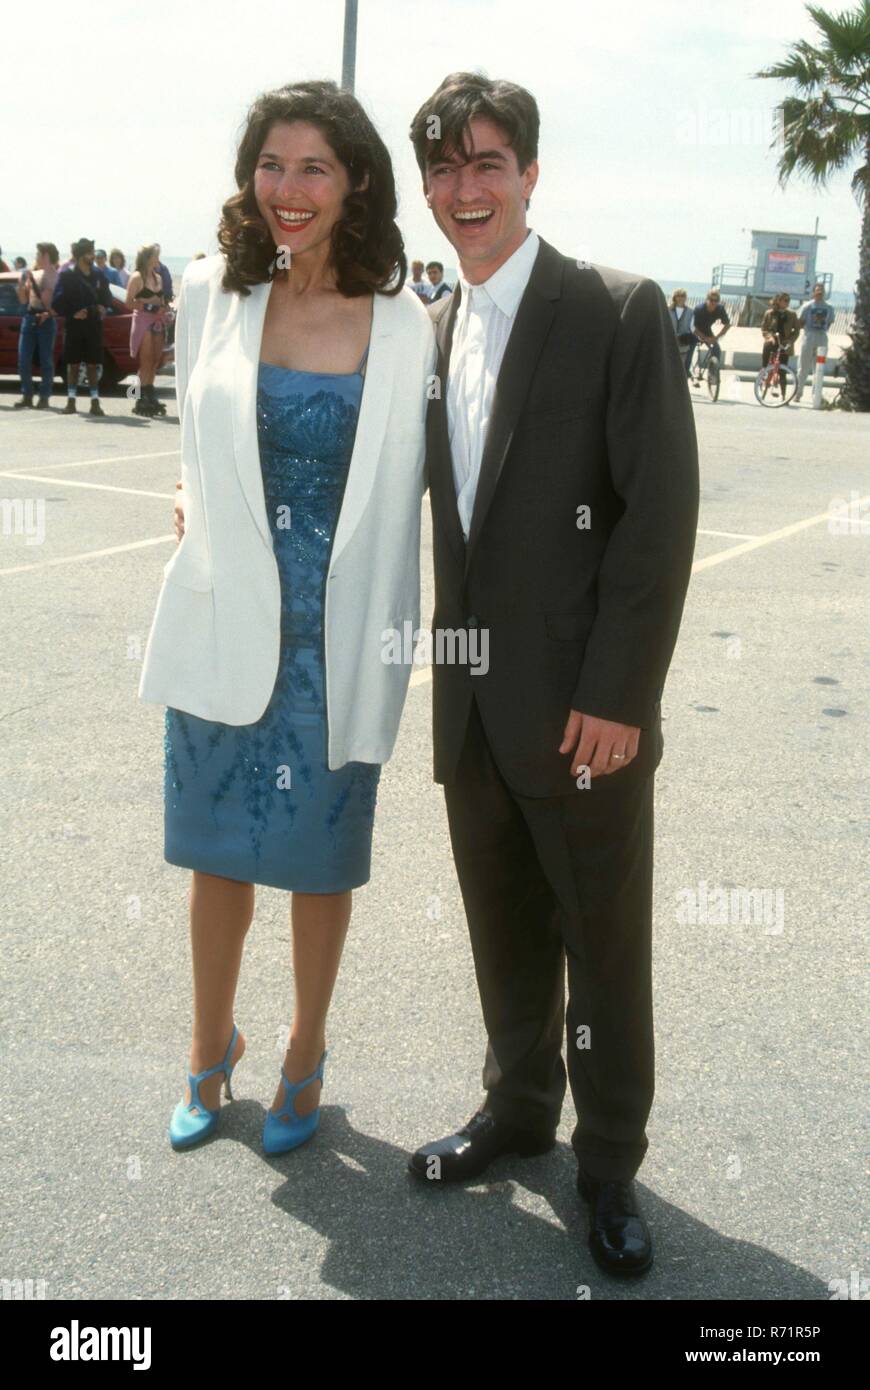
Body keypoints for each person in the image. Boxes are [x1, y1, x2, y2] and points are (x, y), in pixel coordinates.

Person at [406, 72, 698, 1279]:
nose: (465, 190)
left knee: (601, 940)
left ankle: (609, 1159)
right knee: (505, 929)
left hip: (586, 714)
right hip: (473, 704)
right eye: (445, 168)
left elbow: (657, 515)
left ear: (531, 173)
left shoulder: (614, 310)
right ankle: (517, 1107)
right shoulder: (432, 325)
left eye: (488, 164)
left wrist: (621, 695)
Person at [140, 79, 435, 1157]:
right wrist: (189, 496)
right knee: (216, 858)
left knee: (319, 864)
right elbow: (193, 435)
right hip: (228, 618)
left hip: (335, 634)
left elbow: (424, 485)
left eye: (314, 166)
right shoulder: (213, 291)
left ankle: (306, 1052)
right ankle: (206, 1049)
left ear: (356, 180)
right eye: (272, 164)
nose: (289, 189)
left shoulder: (404, 324)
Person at [50, 237, 114, 416]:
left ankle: (95, 402)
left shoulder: (98, 275)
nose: (93, 255)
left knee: (94, 364)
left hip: (94, 324)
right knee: (73, 364)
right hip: (75, 325)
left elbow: (106, 296)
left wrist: (102, 306)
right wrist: (73, 313)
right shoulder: (67, 275)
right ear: (80, 255)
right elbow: (57, 301)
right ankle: (71, 402)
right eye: (89, 252)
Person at [126, 244, 171, 417]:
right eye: (155, 255)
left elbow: (160, 299)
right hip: (143, 320)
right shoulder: (137, 277)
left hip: (157, 321)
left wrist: (164, 307)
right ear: (147, 257)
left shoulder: (158, 277)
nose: (158, 257)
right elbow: (129, 302)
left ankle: (149, 393)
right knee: (145, 361)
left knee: (154, 360)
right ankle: (141, 396)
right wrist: (151, 307)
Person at [14, 242, 60, 409]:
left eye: (38, 254)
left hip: (46, 321)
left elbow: (58, 302)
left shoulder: (56, 276)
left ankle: (44, 396)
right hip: (30, 317)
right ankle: (27, 394)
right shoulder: (33, 274)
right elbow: (23, 300)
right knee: (23, 359)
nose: (36, 257)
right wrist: (20, 286)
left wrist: (48, 313)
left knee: (46, 360)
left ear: (46, 255)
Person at [794, 282, 835, 401]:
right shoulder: (807, 306)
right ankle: (798, 393)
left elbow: (830, 322)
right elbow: (800, 322)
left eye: (821, 291)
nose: (819, 293)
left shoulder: (829, 307)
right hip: (809, 337)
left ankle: (816, 394)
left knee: (819, 368)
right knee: (803, 367)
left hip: (822, 337)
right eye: (817, 290)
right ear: (814, 292)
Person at [760, 292, 799, 396]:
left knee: (782, 370)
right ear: (779, 301)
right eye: (785, 300)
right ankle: (764, 370)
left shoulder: (792, 314)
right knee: (767, 349)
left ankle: (783, 395)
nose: (787, 303)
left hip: (784, 343)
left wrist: (790, 341)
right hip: (773, 341)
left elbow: (796, 331)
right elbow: (764, 329)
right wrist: (770, 337)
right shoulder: (769, 313)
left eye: (788, 300)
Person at [692, 286, 730, 373]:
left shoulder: (720, 309)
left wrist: (716, 337)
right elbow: (692, 327)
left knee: (716, 349)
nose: (713, 302)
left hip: (706, 330)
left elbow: (727, 325)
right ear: (707, 299)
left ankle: (712, 373)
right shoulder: (699, 309)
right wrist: (704, 338)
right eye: (711, 300)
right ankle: (688, 371)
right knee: (690, 348)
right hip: (694, 330)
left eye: (716, 301)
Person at [669, 288, 695, 376]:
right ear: (675, 297)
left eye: (683, 296)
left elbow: (692, 327)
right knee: (669, 366)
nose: (681, 298)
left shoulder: (691, 312)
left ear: (685, 298)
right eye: (678, 296)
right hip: (670, 342)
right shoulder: (668, 310)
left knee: (681, 367)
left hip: (683, 343)